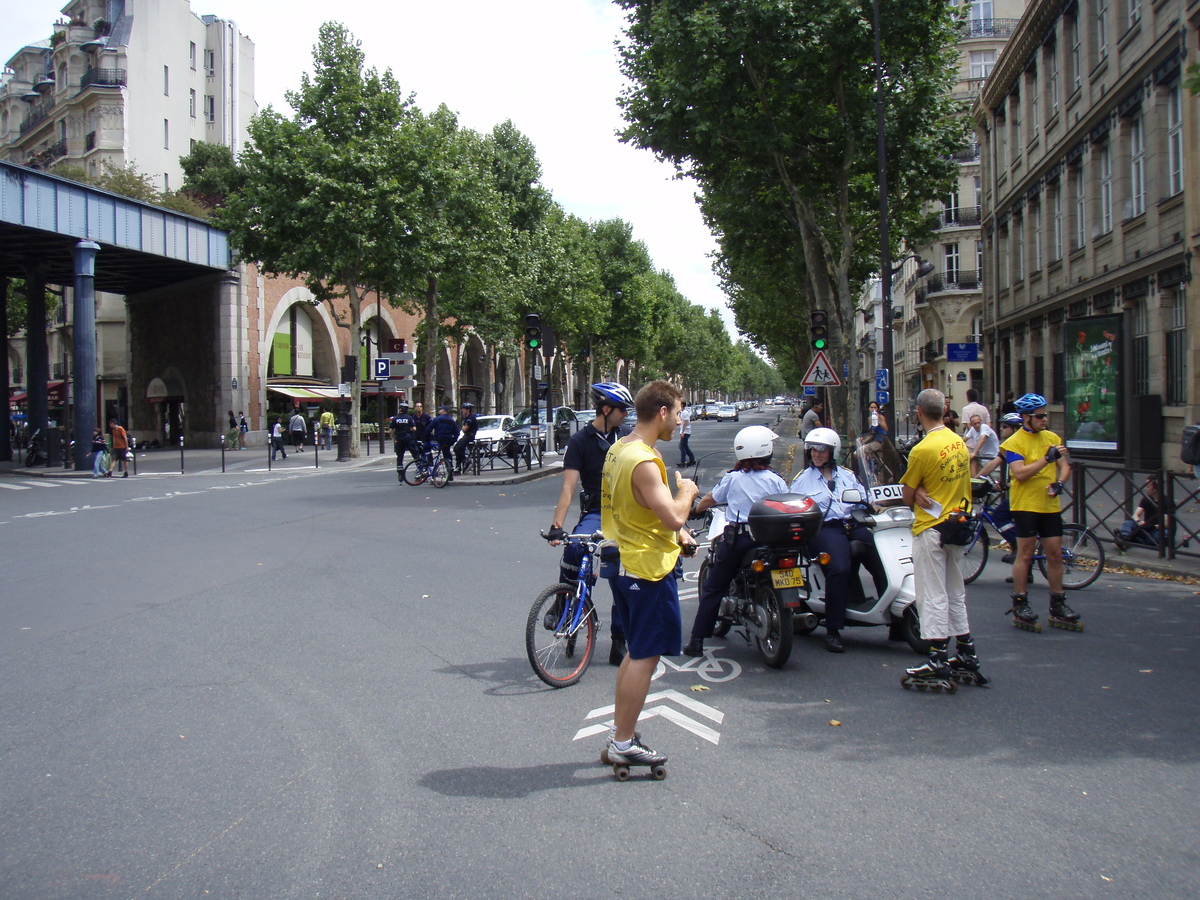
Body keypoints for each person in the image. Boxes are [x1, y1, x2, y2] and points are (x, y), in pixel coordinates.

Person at [600, 380, 698, 769]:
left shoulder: (618, 449)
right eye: (677, 411)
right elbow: (673, 513)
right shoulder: (643, 460)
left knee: (636, 651)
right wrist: (686, 491)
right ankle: (624, 741)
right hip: (647, 568)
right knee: (646, 656)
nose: (680, 419)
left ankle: (619, 733)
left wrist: (678, 532)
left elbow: (638, 510)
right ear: (662, 413)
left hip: (623, 560)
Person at [898, 388, 987, 687]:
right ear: (944, 412)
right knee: (954, 591)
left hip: (931, 527)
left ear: (919, 412)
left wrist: (918, 492)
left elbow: (907, 494)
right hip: (957, 524)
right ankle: (966, 651)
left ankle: (937, 657)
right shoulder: (958, 442)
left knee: (931, 593)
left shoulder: (923, 449)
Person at [548, 382, 634, 664]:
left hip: (625, 514)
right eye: (622, 409)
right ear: (606, 409)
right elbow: (568, 488)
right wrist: (557, 525)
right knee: (574, 547)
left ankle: (619, 640)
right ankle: (563, 600)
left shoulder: (627, 438)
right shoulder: (580, 441)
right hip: (597, 511)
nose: (625, 414)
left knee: (623, 574)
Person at [683, 426, 789, 656]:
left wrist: (695, 509)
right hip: (773, 542)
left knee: (713, 588)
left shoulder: (733, 479)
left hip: (741, 539)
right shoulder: (776, 480)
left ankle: (697, 640)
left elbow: (711, 499)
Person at [790, 427, 875, 652]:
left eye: (822, 450)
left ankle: (897, 618)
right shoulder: (802, 480)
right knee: (839, 568)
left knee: (881, 557)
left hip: (853, 524)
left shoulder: (847, 475)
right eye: (813, 450)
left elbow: (864, 500)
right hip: (825, 528)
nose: (817, 454)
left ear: (833, 452)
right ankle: (833, 629)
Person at [1000, 392, 1078, 629]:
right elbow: (1020, 473)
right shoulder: (1013, 443)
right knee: (1025, 553)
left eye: (1046, 415)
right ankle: (1020, 602)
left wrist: (1060, 482)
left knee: (1054, 554)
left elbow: (1065, 466)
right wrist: (1046, 459)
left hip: (1048, 504)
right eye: (1040, 416)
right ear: (1026, 417)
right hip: (1025, 505)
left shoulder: (1052, 437)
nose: (1045, 420)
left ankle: (1057, 602)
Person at [979, 412, 1024, 561]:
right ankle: (1026, 570)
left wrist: (1007, 484)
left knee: (999, 516)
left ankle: (1017, 545)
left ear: (1014, 429)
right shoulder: (1009, 446)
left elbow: (1024, 475)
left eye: (1005, 426)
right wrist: (976, 478)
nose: (1002, 430)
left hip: (1024, 494)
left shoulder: (1020, 445)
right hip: (1018, 493)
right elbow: (993, 463)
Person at [1115, 475, 1162, 550]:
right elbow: (1136, 514)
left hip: (1158, 529)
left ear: (1155, 489)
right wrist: (1139, 522)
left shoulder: (1166, 501)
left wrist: (1153, 526)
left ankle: (1131, 539)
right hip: (1146, 527)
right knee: (1128, 523)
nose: (1146, 489)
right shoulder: (1146, 499)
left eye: (1148, 486)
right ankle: (1124, 538)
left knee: (1158, 537)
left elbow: (1167, 524)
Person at [427, 404, 459, 482]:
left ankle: (432, 471)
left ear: (443, 411)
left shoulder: (437, 419)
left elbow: (428, 429)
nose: (439, 410)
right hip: (448, 440)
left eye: (440, 409)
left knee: (433, 454)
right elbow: (457, 432)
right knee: (447, 455)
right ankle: (450, 471)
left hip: (439, 439)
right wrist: (453, 441)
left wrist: (429, 438)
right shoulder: (451, 420)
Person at [389, 401, 418, 473]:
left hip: (399, 438)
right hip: (408, 437)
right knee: (415, 453)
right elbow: (414, 428)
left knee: (400, 455)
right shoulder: (409, 418)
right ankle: (419, 467)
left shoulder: (395, 418)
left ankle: (400, 471)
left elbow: (390, 430)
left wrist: (393, 436)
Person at [454, 401, 479, 475]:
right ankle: (460, 465)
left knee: (457, 448)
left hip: (469, 436)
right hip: (466, 435)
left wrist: (462, 427)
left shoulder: (470, 418)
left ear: (468, 410)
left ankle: (465, 461)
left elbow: (465, 429)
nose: (462, 410)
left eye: (464, 409)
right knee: (458, 448)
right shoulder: (467, 418)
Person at [678, 402, 697, 467]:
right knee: (685, 446)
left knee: (682, 446)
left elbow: (685, 423)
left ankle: (683, 461)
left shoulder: (685, 413)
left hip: (686, 432)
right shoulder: (682, 412)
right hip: (684, 431)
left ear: (682, 405)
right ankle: (692, 459)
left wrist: (683, 432)